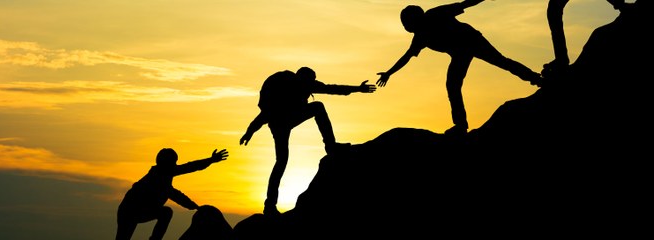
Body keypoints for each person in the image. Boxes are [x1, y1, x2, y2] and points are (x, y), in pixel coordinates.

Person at [376, 0, 544, 136]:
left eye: (406, 22)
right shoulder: (420, 37)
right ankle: (461, 125)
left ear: (414, 19)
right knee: (453, 85)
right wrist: (389, 73)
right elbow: (406, 57)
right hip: (459, 53)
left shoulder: (434, 14)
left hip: (472, 40)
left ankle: (536, 79)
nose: (406, 27)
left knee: (501, 62)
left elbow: (464, 4)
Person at [240, 66, 375, 216]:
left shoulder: (306, 83)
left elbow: (332, 89)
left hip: (286, 119)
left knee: (317, 108)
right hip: (279, 122)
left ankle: (330, 146)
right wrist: (250, 131)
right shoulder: (286, 87)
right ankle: (270, 205)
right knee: (282, 161)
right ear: (302, 78)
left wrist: (358, 88)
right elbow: (265, 114)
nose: (311, 85)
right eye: (311, 81)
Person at [115, 148, 229, 240]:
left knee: (165, 213)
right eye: (173, 163)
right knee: (165, 213)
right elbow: (174, 193)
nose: (175, 165)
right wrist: (192, 205)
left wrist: (210, 160)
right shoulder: (158, 176)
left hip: (138, 210)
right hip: (129, 211)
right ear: (166, 163)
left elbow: (189, 167)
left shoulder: (164, 174)